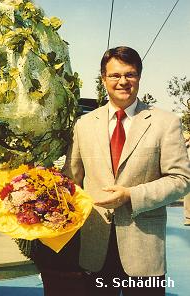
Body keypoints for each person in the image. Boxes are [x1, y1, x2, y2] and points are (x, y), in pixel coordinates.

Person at [63, 46, 190, 296]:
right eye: (115, 75)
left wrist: (130, 195)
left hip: (144, 250)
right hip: (95, 247)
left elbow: (181, 179)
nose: (123, 81)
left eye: (130, 75)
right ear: (103, 79)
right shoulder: (84, 125)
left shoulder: (166, 122)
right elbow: (71, 180)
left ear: (139, 77)